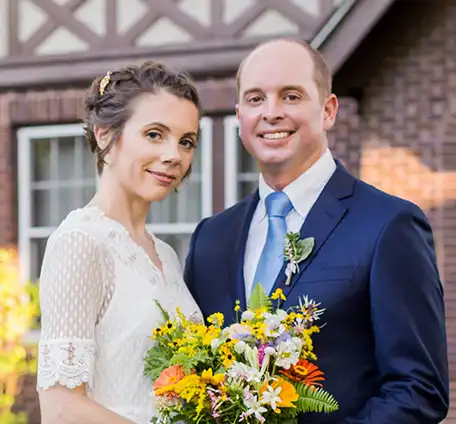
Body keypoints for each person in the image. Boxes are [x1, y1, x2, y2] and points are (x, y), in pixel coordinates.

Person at [184, 38, 449, 423]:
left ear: (328, 110)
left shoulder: (389, 225)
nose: (271, 113)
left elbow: (419, 389)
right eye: (256, 99)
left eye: (291, 96)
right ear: (239, 114)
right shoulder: (211, 238)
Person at [36, 61, 203, 424]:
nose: (174, 155)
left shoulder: (167, 256)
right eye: (155, 134)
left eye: (186, 141)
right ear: (104, 135)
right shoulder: (80, 243)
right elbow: (61, 409)